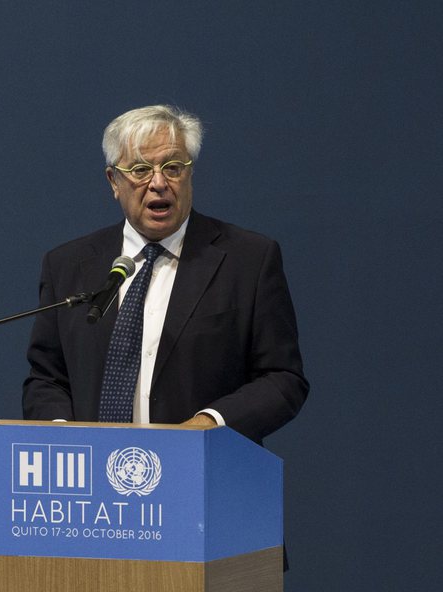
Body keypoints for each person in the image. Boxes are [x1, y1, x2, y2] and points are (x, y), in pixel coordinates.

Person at [22, 104, 308, 443]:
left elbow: (283, 378)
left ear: (190, 173)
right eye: (141, 169)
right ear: (114, 181)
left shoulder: (247, 260)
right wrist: (62, 438)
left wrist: (210, 423)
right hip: (92, 483)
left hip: (202, 472)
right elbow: (47, 378)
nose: (159, 183)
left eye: (173, 167)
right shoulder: (68, 264)